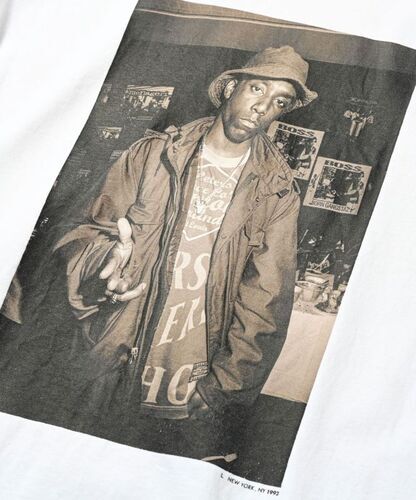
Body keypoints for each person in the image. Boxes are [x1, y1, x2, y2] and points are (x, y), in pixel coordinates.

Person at [0, 46, 317, 462]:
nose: (262, 108)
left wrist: (226, 385)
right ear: (229, 88)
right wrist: (104, 261)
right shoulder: (152, 155)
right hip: (115, 352)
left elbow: (267, 298)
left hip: (190, 375)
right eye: (257, 89)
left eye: (279, 101)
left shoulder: (276, 189)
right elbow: (83, 232)